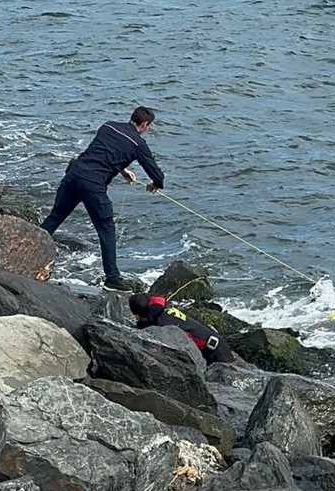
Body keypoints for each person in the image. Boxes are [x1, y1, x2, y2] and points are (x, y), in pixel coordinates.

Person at [40, 106, 165, 291]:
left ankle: (26, 245)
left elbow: (101, 153)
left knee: (55, 217)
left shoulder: (108, 126)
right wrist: (155, 184)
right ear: (145, 124)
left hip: (73, 175)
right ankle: (112, 279)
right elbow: (156, 173)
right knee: (106, 229)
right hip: (93, 186)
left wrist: (122, 170)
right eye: (149, 127)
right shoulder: (138, 143)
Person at [128, 293, 235, 363]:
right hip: (216, 344)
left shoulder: (164, 325)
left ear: (137, 315)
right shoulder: (163, 311)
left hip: (216, 353)